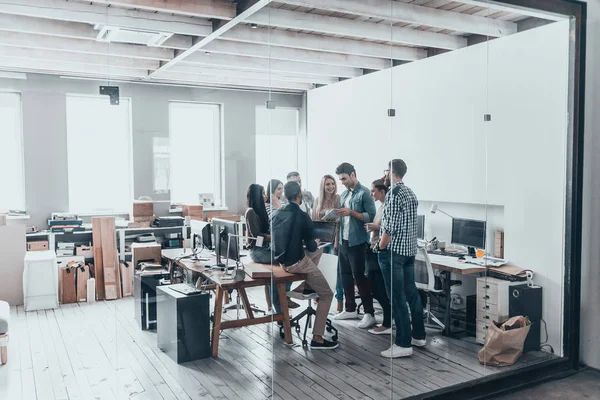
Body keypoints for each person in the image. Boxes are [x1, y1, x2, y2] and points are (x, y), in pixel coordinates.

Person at [272, 181, 338, 350]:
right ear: (299, 196)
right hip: (297, 264)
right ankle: (318, 338)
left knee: (317, 253)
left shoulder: (277, 213)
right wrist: (315, 242)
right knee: (327, 294)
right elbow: (310, 246)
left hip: (282, 262)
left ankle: (306, 286)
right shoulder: (302, 216)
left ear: (286, 196)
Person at [376, 159, 426, 358]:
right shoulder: (410, 193)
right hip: (408, 252)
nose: (384, 175)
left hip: (394, 253)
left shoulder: (393, 194)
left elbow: (389, 227)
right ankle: (418, 336)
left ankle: (403, 343)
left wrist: (380, 247)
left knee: (397, 298)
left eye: (385, 171)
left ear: (391, 171)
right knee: (411, 294)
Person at [332, 162, 377, 329]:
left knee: (360, 278)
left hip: (358, 242)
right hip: (344, 241)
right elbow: (343, 219)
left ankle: (369, 313)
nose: (342, 182)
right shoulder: (344, 195)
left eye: (343, 178)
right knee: (345, 275)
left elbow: (371, 216)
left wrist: (351, 212)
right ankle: (350, 308)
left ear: (352, 175)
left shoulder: (365, 193)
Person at [244, 184, 299, 310]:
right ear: (257, 195)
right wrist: (275, 236)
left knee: (284, 267)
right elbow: (257, 235)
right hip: (258, 251)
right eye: (263, 193)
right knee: (286, 264)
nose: (265, 196)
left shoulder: (260, 209)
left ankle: (283, 298)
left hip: (266, 248)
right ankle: (282, 300)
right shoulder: (251, 212)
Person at [311, 174, 344, 312]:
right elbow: (313, 220)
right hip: (321, 240)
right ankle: (319, 297)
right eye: (328, 184)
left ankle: (340, 301)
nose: (331, 187)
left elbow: (340, 223)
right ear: (323, 186)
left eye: (332, 184)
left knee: (336, 271)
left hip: (334, 239)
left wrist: (336, 241)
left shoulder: (338, 199)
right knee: (321, 270)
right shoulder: (318, 200)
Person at [364, 179, 392, 335]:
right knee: (374, 286)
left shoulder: (388, 207)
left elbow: (391, 228)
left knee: (379, 288)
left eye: (373, 191)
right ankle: (387, 320)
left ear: (382, 191)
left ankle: (387, 322)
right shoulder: (381, 206)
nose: (371, 194)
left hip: (381, 250)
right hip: (374, 248)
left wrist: (375, 227)